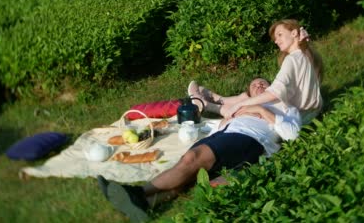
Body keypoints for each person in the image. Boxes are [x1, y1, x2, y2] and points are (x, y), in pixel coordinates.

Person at [97, 19, 323, 222]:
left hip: (249, 139)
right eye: (254, 84)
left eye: (264, 82)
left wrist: (262, 111)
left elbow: (295, 119)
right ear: (248, 92)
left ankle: (135, 193)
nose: (260, 85)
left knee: (191, 159)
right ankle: (146, 206)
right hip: (226, 136)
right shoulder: (242, 104)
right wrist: (228, 106)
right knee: (190, 173)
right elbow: (218, 108)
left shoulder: (283, 106)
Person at [187, 77, 270, 117]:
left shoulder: (275, 96)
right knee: (243, 98)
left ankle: (205, 105)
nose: (259, 85)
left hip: (258, 118)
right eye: (254, 86)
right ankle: (214, 98)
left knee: (241, 110)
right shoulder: (247, 96)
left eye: (262, 83)